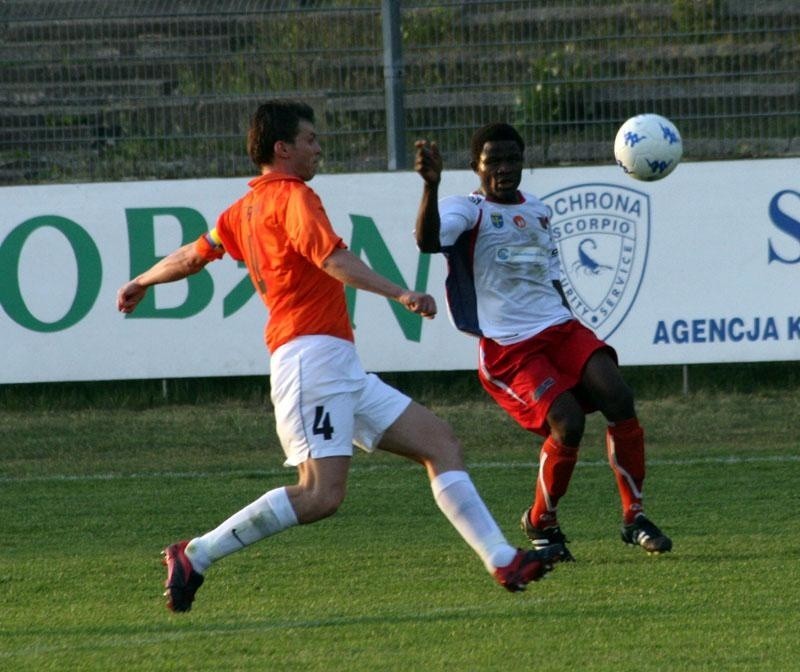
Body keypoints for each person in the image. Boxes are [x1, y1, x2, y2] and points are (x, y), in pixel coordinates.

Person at [117, 101, 566, 612]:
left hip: (336, 364)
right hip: (310, 361)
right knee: (319, 495)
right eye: (309, 139)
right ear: (282, 149)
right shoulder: (293, 198)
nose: (318, 147)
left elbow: (195, 254)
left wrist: (141, 281)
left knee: (440, 443)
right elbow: (332, 260)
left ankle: (502, 559)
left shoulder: (240, 210)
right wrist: (401, 293)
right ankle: (195, 554)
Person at [413, 123, 672, 560]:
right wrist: (431, 187)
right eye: (493, 160)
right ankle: (541, 520)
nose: (504, 167)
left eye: (512, 158)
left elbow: (550, 275)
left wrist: (573, 328)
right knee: (568, 423)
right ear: (476, 166)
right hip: (509, 346)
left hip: (559, 328)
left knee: (619, 396)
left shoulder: (537, 210)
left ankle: (635, 517)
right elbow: (427, 241)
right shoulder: (466, 210)